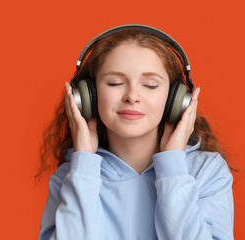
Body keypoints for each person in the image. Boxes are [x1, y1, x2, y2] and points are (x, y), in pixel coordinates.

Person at [37, 25, 234, 240]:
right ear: (87, 97)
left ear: (175, 100)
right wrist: (84, 161)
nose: (132, 96)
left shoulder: (207, 172)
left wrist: (172, 167)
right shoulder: (72, 176)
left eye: (150, 85)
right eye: (115, 83)